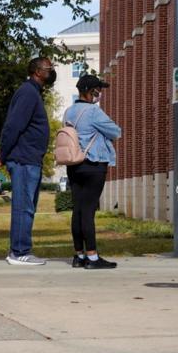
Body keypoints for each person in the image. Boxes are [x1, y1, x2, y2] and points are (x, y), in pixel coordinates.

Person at [0, 57, 54, 266]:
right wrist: (3, 154)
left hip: (29, 159)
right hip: (23, 160)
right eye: (49, 68)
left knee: (28, 206)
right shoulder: (28, 92)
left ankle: (20, 250)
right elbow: (13, 126)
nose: (52, 71)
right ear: (38, 71)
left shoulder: (33, 93)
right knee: (23, 207)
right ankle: (19, 252)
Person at [64, 75, 121, 270]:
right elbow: (116, 132)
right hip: (94, 165)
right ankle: (93, 257)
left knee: (78, 210)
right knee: (88, 211)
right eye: (98, 90)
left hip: (74, 165)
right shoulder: (94, 112)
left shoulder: (68, 112)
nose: (100, 93)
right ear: (90, 91)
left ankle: (79, 255)